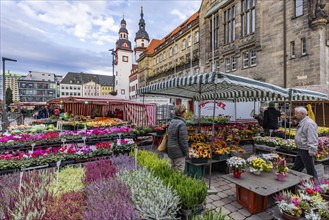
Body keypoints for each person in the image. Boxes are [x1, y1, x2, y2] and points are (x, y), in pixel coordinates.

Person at [291, 106, 318, 180]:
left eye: (297, 114)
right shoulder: (303, 122)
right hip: (301, 149)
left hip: (306, 150)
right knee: (296, 168)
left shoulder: (309, 123)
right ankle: (292, 183)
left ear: (302, 114)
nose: (295, 115)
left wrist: (312, 149)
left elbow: (312, 137)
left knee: (311, 171)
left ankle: (316, 187)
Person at [167, 104, 188, 173]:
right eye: (185, 111)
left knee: (172, 171)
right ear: (181, 113)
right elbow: (183, 141)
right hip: (178, 152)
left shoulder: (172, 122)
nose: (186, 113)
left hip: (170, 150)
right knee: (179, 172)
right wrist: (186, 153)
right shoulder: (182, 124)